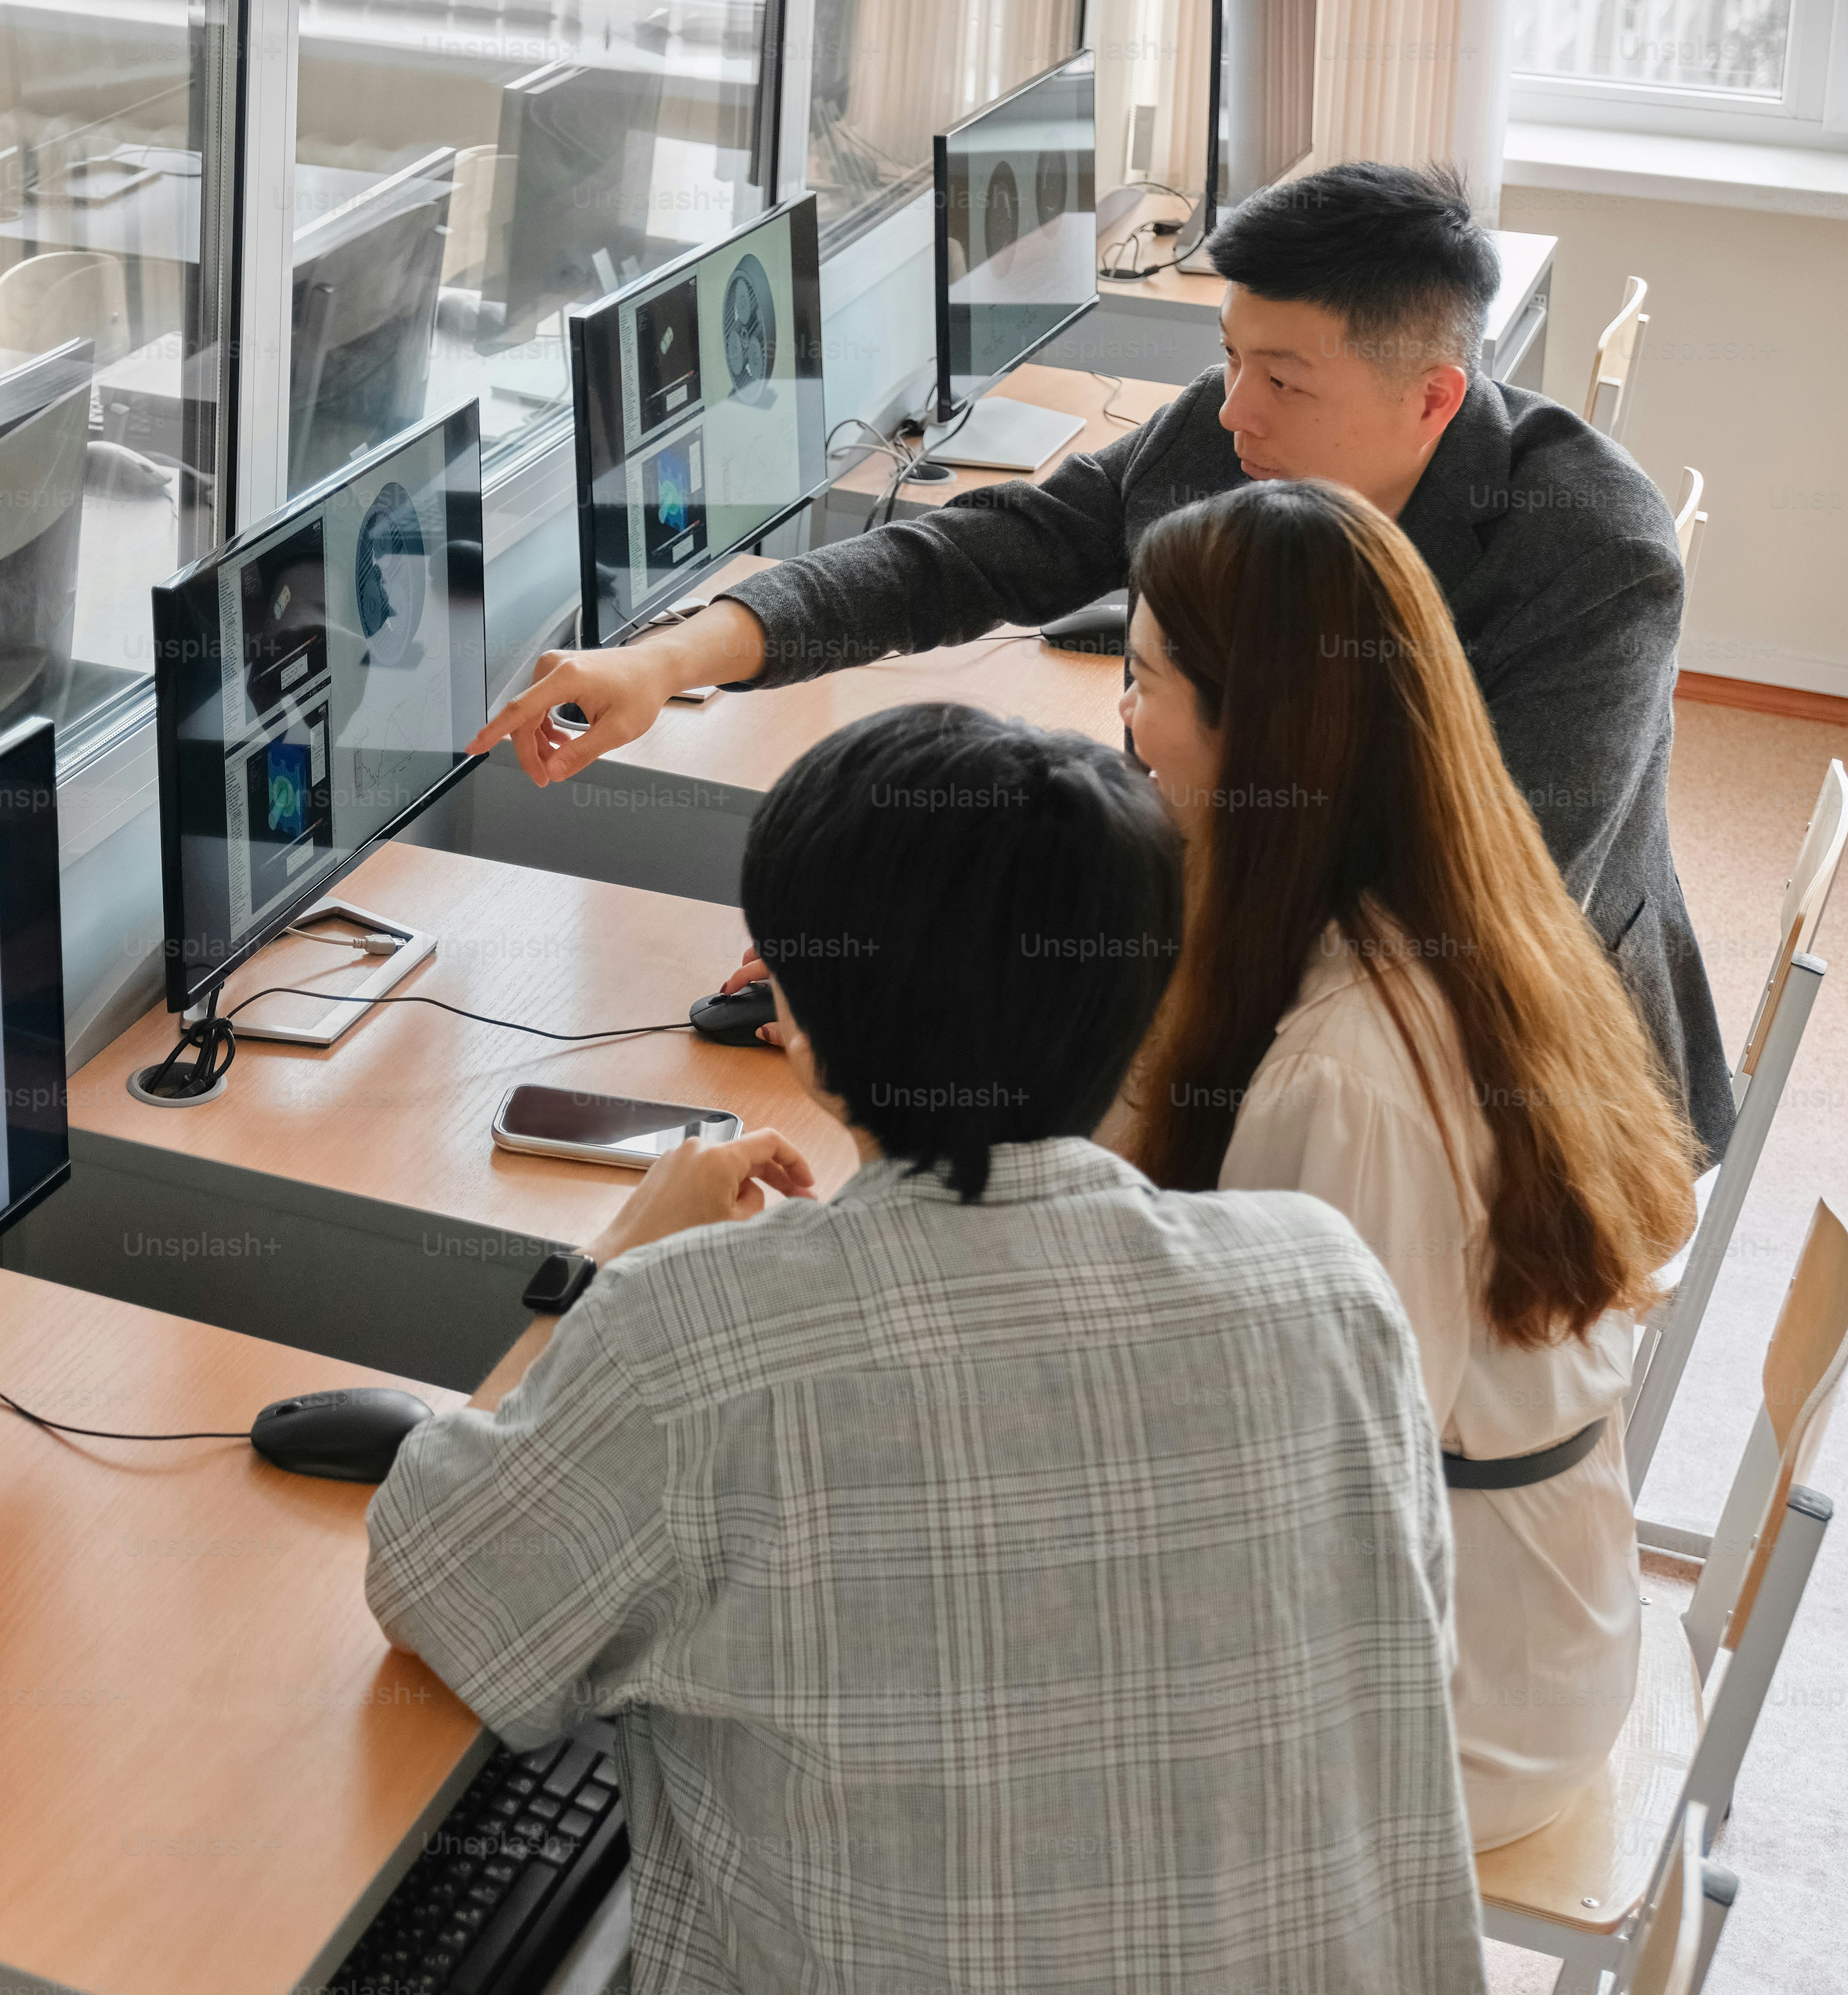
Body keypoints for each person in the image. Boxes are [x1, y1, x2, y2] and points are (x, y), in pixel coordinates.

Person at [367, 704, 1483, 1991]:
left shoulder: (695, 1338)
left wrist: (616, 1268)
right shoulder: (1329, 1287)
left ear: (801, 1018)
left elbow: (444, 1585)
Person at [472, 162, 1731, 1163]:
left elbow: (1453, 911)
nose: (1236, 407)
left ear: (1435, 399)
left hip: (1510, 1077)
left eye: (1283, 377)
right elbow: (977, 555)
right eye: (1229, 358)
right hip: (1253, 993)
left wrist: (970, 963)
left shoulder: (1586, 553)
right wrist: (678, 655)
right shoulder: (1226, 436)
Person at [1114, 479, 1697, 1847]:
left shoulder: (1351, 1079)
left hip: (1462, 1702)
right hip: (1521, 1603)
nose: (1127, 729)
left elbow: (1304, 1493)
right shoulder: (1452, 889)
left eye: (1142, 683)